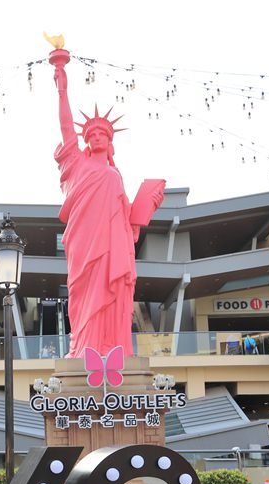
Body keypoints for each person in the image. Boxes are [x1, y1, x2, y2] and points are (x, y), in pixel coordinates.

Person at [52, 56, 165, 358]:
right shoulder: (77, 164)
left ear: (110, 140)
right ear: (86, 141)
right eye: (92, 134)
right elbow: (65, 127)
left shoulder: (115, 174)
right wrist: (62, 88)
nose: (98, 136)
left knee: (115, 295)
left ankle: (114, 351)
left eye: (103, 133)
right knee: (83, 296)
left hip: (114, 247)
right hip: (84, 245)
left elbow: (128, 220)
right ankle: (85, 349)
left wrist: (146, 206)